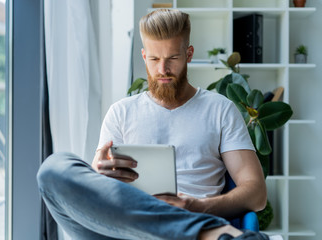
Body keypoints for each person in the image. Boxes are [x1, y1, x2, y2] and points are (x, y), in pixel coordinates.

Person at [37, 9, 269, 240]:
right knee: (52, 169)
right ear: (143, 55)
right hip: (126, 231)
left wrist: (198, 206)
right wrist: (98, 172)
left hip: (193, 217)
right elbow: (100, 188)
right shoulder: (121, 112)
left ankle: (194, 228)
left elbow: (257, 194)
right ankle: (210, 233)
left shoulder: (220, 110)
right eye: (154, 59)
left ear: (188, 54)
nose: (162, 70)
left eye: (172, 59)